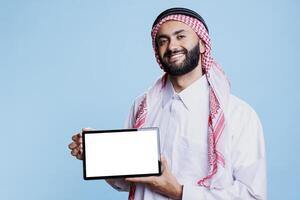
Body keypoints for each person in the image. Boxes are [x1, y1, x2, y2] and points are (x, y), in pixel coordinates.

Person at [68, 7, 267, 200]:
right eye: (163, 41)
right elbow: (129, 180)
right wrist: (99, 153)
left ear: (203, 44)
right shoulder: (142, 107)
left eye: (181, 36)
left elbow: (253, 196)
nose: (172, 46)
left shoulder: (238, 114)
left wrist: (179, 192)